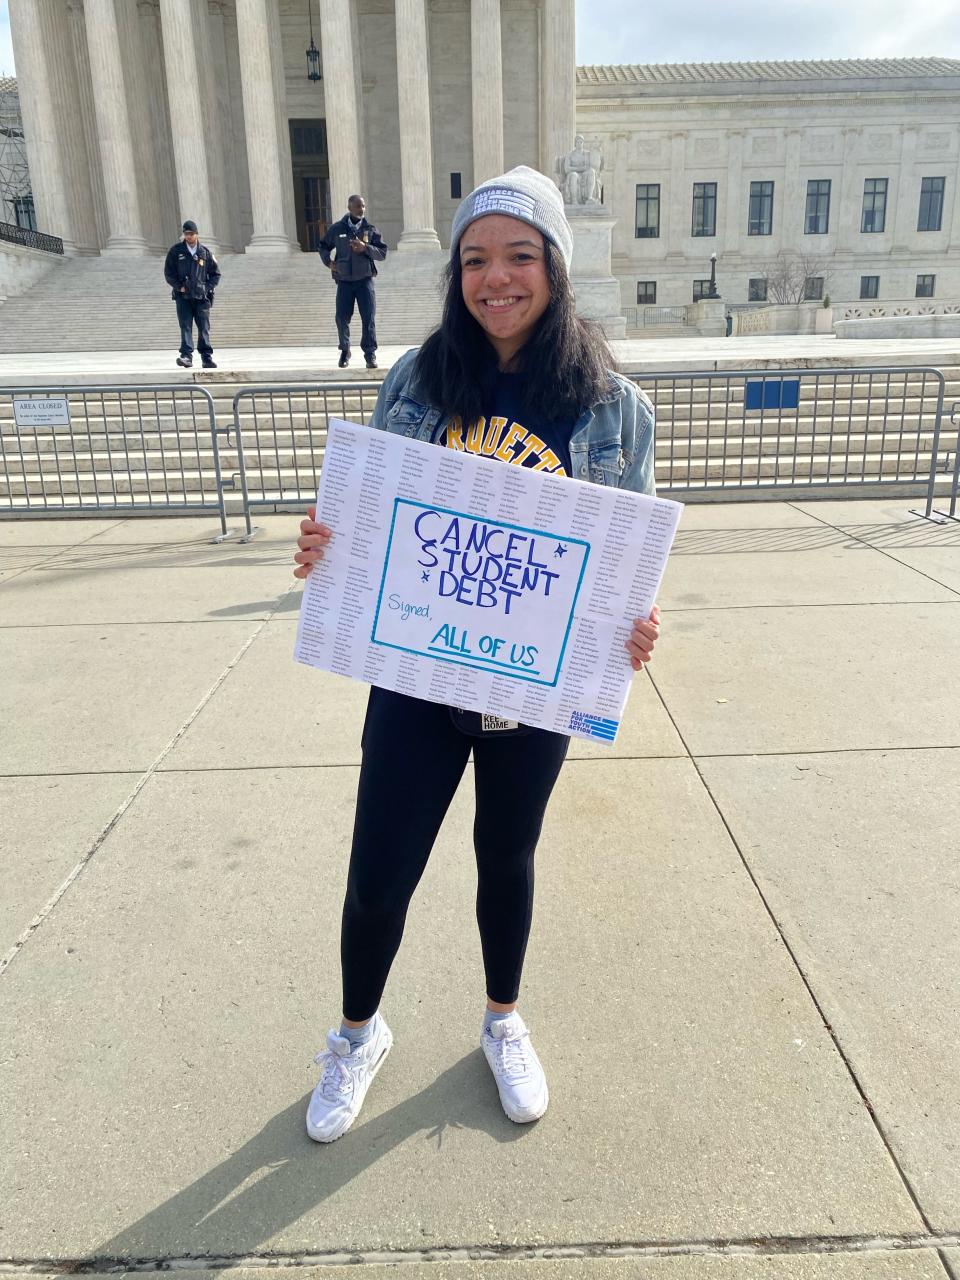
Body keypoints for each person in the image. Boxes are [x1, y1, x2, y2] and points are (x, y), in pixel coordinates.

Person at [294, 166, 661, 1143]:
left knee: (507, 855)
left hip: (532, 688)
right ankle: (356, 1033)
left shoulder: (613, 408)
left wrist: (634, 623)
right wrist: (329, 548)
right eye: (475, 260)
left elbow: (624, 563)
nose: (496, 277)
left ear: (555, 268)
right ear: (457, 273)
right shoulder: (416, 381)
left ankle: (502, 1018)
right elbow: (369, 529)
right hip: (418, 678)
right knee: (379, 869)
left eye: (519, 256)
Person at [318, 194, 388, 370]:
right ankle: (345, 350)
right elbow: (323, 246)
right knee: (341, 318)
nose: (361, 209)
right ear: (349, 208)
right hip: (344, 282)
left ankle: (370, 354)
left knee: (368, 318)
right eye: (358, 206)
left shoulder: (370, 229)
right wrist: (328, 262)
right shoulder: (337, 229)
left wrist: (366, 248)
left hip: (365, 281)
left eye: (363, 206)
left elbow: (382, 253)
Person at [163, 220, 221, 369]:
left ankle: (206, 357)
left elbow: (216, 274)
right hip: (183, 297)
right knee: (185, 326)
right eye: (186, 234)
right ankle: (186, 356)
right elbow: (169, 273)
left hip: (201, 298)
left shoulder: (205, 252)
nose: (188, 236)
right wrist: (179, 287)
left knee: (203, 328)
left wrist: (206, 288)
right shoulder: (176, 251)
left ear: (196, 234)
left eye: (191, 234)